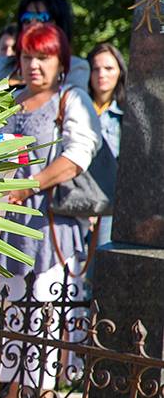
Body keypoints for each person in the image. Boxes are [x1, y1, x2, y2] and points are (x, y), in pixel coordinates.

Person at [0, 23, 101, 396]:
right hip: (7, 220)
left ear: (61, 62)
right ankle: (11, 393)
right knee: (9, 304)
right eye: (28, 57)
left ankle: (42, 397)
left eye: (44, 57)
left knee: (46, 305)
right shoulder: (10, 100)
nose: (34, 65)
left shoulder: (71, 99)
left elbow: (78, 156)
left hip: (49, 221)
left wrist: (30, 185)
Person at [88, 41, 125, 252]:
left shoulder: (128, 113)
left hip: (110, 204)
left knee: (99, 263)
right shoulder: (75, 108)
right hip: (74, 198)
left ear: (120, 71)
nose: (102, 74)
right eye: (96, 68)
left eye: (109, 68)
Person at [16, 0, 88, 91]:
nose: (33, 24)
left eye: (42, 18)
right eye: (27, 19)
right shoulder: (3, 65)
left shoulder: (77, 67)